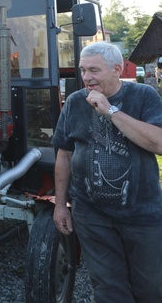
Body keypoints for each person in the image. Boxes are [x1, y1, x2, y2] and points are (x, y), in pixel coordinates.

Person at [52, 41, 162, 302]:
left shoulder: (144, 95)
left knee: (151, 288)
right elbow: (64, 155)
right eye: (82, 70)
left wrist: (110, 111)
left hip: (141, 212)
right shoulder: (75, 103)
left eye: (94, 70)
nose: (86, 78)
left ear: (117, 69)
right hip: (92, 214)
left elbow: (159, 143)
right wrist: (60, 205)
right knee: (108, 288)